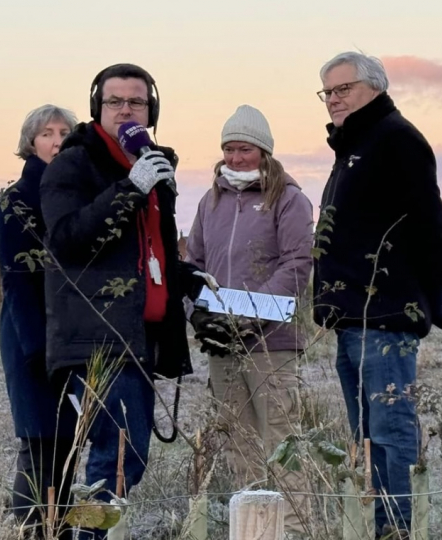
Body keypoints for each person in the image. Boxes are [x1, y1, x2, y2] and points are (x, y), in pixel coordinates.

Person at [39, 63, 196, 538]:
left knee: (126, 456)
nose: (127, 110)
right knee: (118, 458)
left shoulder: (150, 164)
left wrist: (185, 276)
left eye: (137, 103)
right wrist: (129, 190)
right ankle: (85, 535)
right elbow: (67, 240)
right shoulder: (74, 163)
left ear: (152, 110)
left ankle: (84, 532)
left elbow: (146, 250)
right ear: (97, 108)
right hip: (96, 336)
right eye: (115, 102)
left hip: (137, 335)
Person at [311, 52, 442, 538]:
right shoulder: (354, 145)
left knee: (391, 436)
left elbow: (432, 227)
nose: (333, 99)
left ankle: (400, 529)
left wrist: (428, 294)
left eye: (343, 89)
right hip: (353, 319)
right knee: (366, 437)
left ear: (374, 87)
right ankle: (381, 527)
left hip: (385, 318)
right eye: (327, 92)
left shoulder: (396, 139)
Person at [184, 105, 314, 535]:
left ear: (263, 150)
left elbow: (297, 263)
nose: (235, 158)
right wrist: (201, 315)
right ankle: (254, 529)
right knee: (238, 441)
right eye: (228, 149)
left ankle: (293, 530)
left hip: (271, 343)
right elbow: (195, 263)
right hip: (223, 345)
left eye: (244, 149)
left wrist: (250, 314)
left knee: (281, 441)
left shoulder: (289, 199)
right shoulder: (210, 200)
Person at [0, 104, 78, 537]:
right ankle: (31, 530)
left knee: (67, 445)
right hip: (33, 334)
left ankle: (58, 528)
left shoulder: (76, 194)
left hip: (75, 332)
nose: (57, 140)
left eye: (64, 131)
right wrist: (37, 350)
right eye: (47, 133)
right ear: (30, 141)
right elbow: (18, 282)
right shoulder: (14, 201)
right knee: (40, 441)